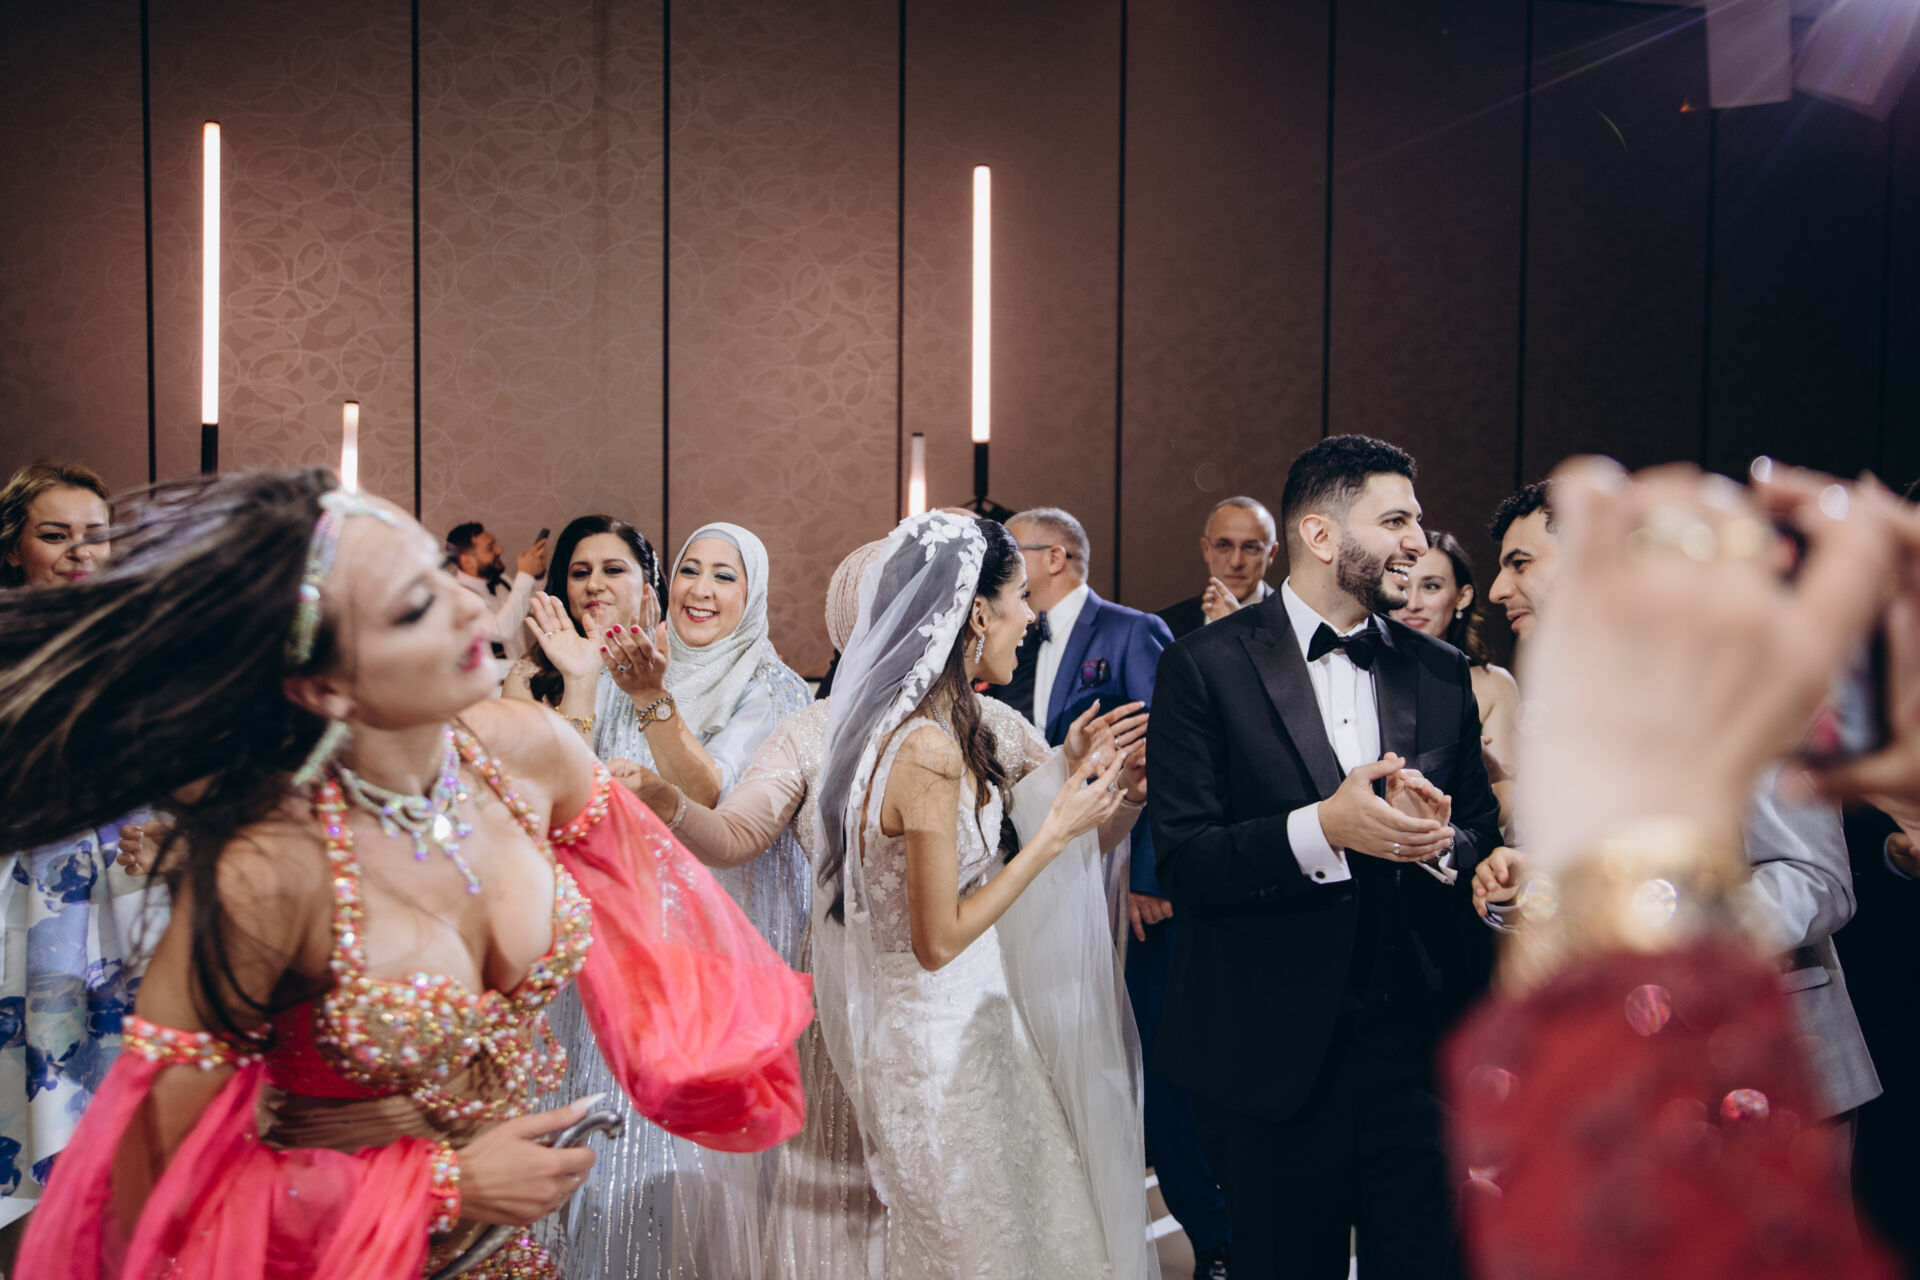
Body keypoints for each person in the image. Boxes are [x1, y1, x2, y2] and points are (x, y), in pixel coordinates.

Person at [0, 468, 811, 1280]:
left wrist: (692, 1075)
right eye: (414, 607)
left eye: (438, 570)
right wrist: (444, 1186)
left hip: (514, 1255)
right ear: (321, 684)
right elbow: (158, 1188)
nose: (466, 605)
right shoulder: (271, 873)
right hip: (339, 1255)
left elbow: (664, 941)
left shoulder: (533, 756)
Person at [1445, 456, 1914, 1280]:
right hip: (1603, 1084)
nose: (1497, 589)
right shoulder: (1555, 711)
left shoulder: (1741, 689)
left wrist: (1652, 924)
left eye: (1519, 562)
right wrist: (1535, 892)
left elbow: (1820, 883)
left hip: (1775, 1066)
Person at [1148, 435, 1502, 1278]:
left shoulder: (1442, 672)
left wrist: (1440, 843)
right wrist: (1324, 828)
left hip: (1417, 1054)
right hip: (1268, 1058)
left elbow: (1479, 837)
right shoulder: (1202, 666)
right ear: (1319, 535)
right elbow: (1186, 861)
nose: (1417, 540)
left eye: (1415, 520)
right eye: (1395, 521)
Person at [811, 511, 1157, 1280]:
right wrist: (1055, 833)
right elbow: (937, 939)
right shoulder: (926, 752)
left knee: (1023, 1240)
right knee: (987, 1250)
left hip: (971, 1028)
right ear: (976, 615)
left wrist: (1070, 773)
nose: (1031, 617)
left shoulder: (925, 727)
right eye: (1020, 598)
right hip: (940, 1054)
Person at [524, 519, 814, 1280]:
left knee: (682, 1170)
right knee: (599, 1158)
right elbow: (568, 801)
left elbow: (712, 798)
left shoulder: (770, 689)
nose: (702, 590)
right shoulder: (631, 665)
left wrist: (651, 699)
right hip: (612, 947)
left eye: (725, 576)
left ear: (753, 594)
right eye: (692, 570)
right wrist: (586, 682)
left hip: (705, 959)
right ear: (667, 582)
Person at [991, 505, 1231, 1275]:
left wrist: (1149, 874)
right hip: (1038, 875)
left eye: (1015, 550)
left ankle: (1214, 1238)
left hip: (1124, 876)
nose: (1005, 564)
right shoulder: (1009, 644)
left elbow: (1173, 753)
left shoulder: (1130, 632)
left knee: (1149, 1063)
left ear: (1056, 555)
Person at [0, 462, 160, 1266]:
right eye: (54, 534)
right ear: (14, 548)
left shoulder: (148, 636)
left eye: (94, 534)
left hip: (136, 885)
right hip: (32, 895)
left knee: (133, 1106)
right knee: (33, 1104)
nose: (78, 551)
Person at [1391, 530, 1521, 833]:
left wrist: (1479, 765)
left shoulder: (1494, 685)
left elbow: (1504, 804)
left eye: (1431, 586)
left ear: (1462, 597)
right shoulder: (1361, 672)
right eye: (1404, 585)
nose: (1413, 603)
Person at [1156, 497, 1281, 641]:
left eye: (1250, 547)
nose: (1236, 562)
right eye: (1223, 545)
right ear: (1206, 549)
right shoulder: (1164, 626)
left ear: (1271, 553)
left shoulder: (1293, 620)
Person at [447, 520, 549, 663]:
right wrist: (525, 575)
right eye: (490, 548)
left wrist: (537, 576)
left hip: (519, 669)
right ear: (467, 561)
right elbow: (501, 631)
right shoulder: (454, 597)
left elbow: (539, 606)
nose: (499, 549)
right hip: (487, 676)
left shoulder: (503, 581)